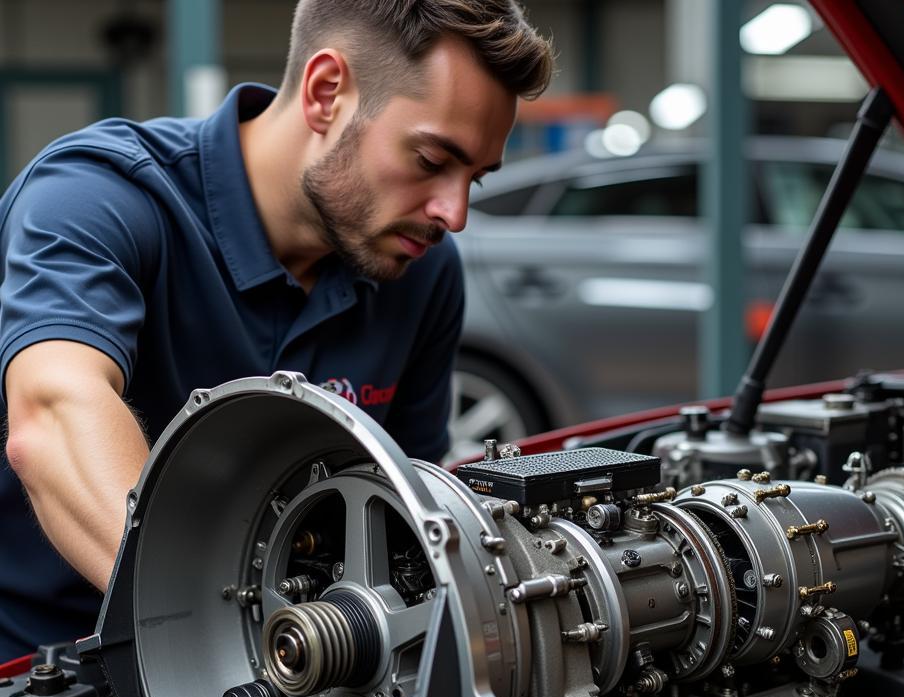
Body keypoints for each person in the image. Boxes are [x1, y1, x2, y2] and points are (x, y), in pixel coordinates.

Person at [0, 0, 553, 662]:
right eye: (433, 159)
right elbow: (55, 417)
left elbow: (400, 511)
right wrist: (234, 635)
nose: (454, 213)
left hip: (299, 677)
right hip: (42, 685)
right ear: (327, 95)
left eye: (474, 177)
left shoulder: (425, 274)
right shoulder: (98, 197)